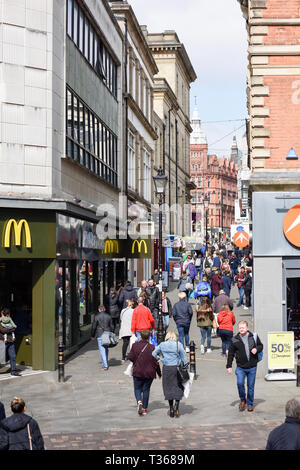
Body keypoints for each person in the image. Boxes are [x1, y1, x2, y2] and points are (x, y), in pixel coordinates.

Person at [226, 320, 263, 412]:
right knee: (239, 383)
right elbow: (230, 353)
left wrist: (256, 349)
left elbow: (261, 346)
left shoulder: (253, 337)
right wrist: (229, 366)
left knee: (250, 386)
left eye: (243, 328)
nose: (241, 329)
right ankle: (243, 400)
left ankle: (250, 404)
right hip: (240, 367)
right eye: (240, 328)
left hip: (252, 366)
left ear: (247, 328)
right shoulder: (234, 339)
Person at [152, 331, 188, 418]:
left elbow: (153, 353)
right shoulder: (178, 344)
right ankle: (177, 405)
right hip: (176, 367)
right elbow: (184, 357)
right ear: (174, 337)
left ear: (167, 337)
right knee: (178, 386)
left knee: (168, 387)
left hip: (167, 368)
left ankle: (171, 408)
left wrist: (161, 359)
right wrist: (186, 366)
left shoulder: (162, 345)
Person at [128, 330, 161, 416]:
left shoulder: (135, 346)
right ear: (149, 337)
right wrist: (159, 373)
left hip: (138, 371)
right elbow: (156, 362)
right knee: (146, 389)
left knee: (137, 388)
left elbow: (130, 357)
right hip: (149, 372)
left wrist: (136, 361)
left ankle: (139, 401)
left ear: (141, 336)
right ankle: (145, 409)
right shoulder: (152, 347)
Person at [91, 305, 113, 371]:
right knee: (106, 349)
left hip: (100, 334)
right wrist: (111, 333)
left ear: (99, 310)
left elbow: (94, 327)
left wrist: (92, 335)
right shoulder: (109, 316)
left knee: (102, 350)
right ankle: (105, 363)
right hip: (107, 334)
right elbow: (112, 326)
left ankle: (105, 366)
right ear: (105, 309)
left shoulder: (96, 316)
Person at [0, 308, 20, 377]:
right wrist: (10, 329)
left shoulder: (9, 319)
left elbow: (14, 328)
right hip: (3, 341)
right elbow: (3, 330)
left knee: (13, 356)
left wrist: (9, 329)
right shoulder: (0, 320)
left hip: (10, 341)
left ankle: (13, 371)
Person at [119, 299, 135, 363]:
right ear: (131, 305)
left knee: (125, 343)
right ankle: (133, 356)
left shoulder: (123, 310)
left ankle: (123, 357)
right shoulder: (133, 311)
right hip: (130, 329)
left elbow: (121, 318)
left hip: (124, 329)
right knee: (132, 343)